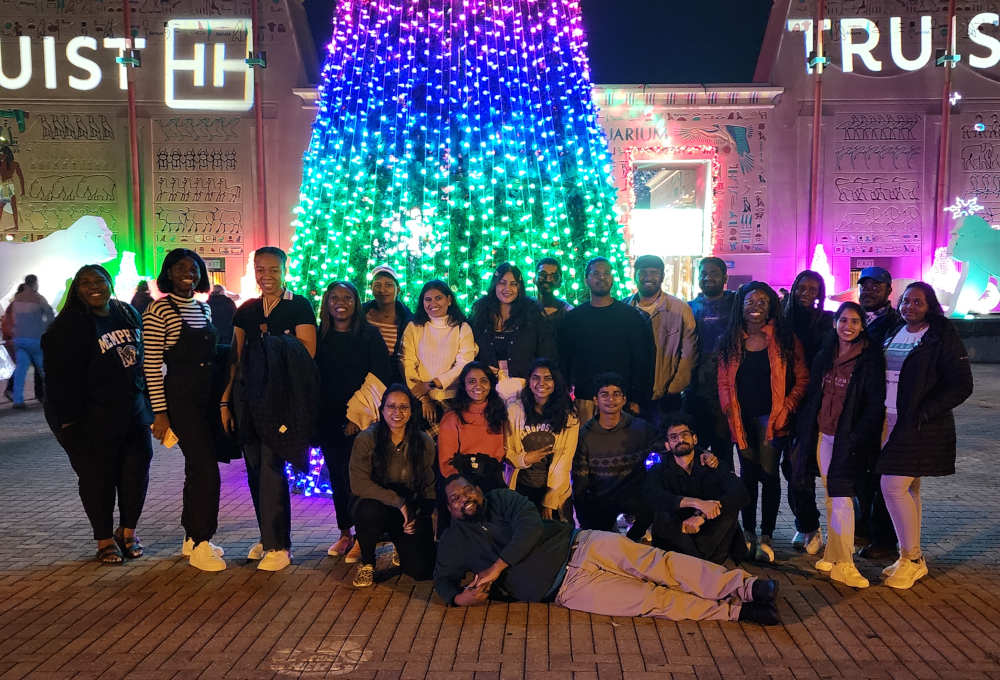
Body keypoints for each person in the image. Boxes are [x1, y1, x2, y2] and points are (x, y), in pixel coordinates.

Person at [434, 477, 781, 625]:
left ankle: (744, 587)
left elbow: (530, 527)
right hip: (567, 590)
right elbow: (442, 580)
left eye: (466, 492)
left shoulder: (501, 499)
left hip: (583, 545)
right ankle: (735, 614)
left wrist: (495, 569)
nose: (464, 500)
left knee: (662, 565)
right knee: (651, 601)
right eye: (454, 499)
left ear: (477, 490)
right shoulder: (454, 541)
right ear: (448, 508)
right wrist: (458, 600)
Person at [41, 265, 154, 564]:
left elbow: (140, 361)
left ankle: (128, 532)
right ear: (76, 289)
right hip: (90, 419)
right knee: (98, 479)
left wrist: (150, 406)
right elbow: (56, 379)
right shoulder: (68, 326)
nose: (93, 287)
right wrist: (69, 423)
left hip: (133, 413)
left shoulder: (127, 313)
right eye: (85, 282)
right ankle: (104, 538)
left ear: (110, 283)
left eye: (99, 280)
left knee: (135, 475)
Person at [223, 246, 317, 571]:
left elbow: (308, 351)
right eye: (261, 270)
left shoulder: (299, 306)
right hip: (247, 399)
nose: (267, 276)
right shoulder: (246, 310)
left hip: (281, 400)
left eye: (273, 269)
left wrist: (268, 346)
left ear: (284, 270)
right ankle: (266, 536)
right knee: (253, 468)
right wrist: (226, 401)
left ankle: (280, 545)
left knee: (272, 465)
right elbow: (234, 359)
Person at [877, 282, 972, 589]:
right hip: (888, 419)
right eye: (905, 301)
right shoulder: (895, 332)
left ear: (930, 305)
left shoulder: (940, 337)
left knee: (892, 486)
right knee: (909, 488)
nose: (910, 307)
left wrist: (926, 411)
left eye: (917, 302)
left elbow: (961, 385)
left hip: (917, 424)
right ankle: (910, 559)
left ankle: (913, 558)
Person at [791, 302, 885, 588]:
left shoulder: (869, 358)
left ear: (862, 325)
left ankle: (845, 563)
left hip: (848, 437)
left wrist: (858, 435)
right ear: (835, 323)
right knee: (833, 495)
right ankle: (832, 556)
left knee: (843, 497)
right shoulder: (825, 354)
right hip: (823, 434)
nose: (848, 326)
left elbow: (873, 403)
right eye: (843, 320)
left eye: (855, 321)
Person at [143, 249, 226, 571]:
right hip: (181, 399)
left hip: (206, 397)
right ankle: (202, 539)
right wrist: (160, 413)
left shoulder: (202, 308)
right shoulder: (158, 311)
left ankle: (192, 539)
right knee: (206, 469)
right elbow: (151, 366)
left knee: (197, 468)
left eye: (193, 268)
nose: (187, 273)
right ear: (168, 273)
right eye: (179, 268)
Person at [717, 282, 808, 563]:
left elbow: (802, 378)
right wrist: (730, 413)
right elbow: (722, 382)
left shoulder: (784, 339)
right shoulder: (730, 340)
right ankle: (748, 533)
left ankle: (766, 536)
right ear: (740, 306)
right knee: (747, 476)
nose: (755, 307)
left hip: (773, 419)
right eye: (749, 301)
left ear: (771, 306)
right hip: (742, 420)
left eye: (762, 302)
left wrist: (788, 408)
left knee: (769, 477)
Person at [317, 280, 392, 564]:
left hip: (361, 419)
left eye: (347, 297)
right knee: (337, 477)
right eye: (334, 297)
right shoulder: (320, 335)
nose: (340, 302)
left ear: (356, 302)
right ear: (327, 302)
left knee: (360, 478)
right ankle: (344, 532)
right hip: (328, 419)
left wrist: (356, 417)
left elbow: (379, 375)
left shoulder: (368, 335)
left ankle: (364, 536)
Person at [349, 385, 437, 587]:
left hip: (408, 505)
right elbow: (359, 484)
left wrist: (421, 515)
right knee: (368, 510)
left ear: (411, 410)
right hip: (376, 502)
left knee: (421, 570)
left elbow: (428, 483)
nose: (397, 413)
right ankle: (368, 563)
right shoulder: (366, 438)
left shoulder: (423, 441)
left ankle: (401, 545)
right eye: (391, 407)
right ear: (382, 409)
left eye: (404, 407)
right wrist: (399, 503)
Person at [643, 413, 749, 565]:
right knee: (663, 513)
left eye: (684, 435)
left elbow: (740, 492)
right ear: (667, 445)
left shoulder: (712, 464)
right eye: (674, 437)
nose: (680, 440)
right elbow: (652, 495)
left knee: (728, 509)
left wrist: (702, 515)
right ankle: (702, 567)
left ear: (695, 439)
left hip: (708, 532)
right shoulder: (659, 468)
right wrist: (696, 503)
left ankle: (695, 566)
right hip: (679, 535)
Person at [558, 257, 655, 423]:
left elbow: (643, 361)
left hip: (622, 400)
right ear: (586, 279)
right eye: (596, 273)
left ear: (612, 278)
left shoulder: (631, 316)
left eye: (606, 273)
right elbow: (564, 360)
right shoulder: (573, 319)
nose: (601, 277)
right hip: (585, 400)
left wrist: (637, 399)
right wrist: (565, 396)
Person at [779, 270, 833, 555]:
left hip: (812, 404)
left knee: (800, 467)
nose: (807, 293)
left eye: (813, 288)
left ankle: (810, 526)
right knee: (789, 468)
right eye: (802, 287)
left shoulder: (826, 322)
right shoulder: (782, 321)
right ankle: (805, 523)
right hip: (780, 401)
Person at [572, 372, 657, 541]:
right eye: (605, 394)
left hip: (633, 495)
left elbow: (669, 445)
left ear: (624, 399)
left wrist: (703, 455)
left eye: (616, 394)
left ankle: (633, 540)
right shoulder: (584, 435)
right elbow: (580, 483)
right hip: (601, 498)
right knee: (601, 542)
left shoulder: (641, 428)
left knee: (657, 499)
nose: (611, 399)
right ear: (596, 400)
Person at [855, 266, 904, 560]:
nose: (869, 290)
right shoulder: (857, 320)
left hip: (884, 412)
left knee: (880, 478)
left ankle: (884, 539)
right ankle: (867, 529)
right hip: (860, 411)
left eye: (876, 286)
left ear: (888, 291)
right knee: (862, 475)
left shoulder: (895, 324)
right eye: (865, 285)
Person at [626, 255, 697, 425]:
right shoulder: (624, 309)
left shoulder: (680, 309)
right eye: (643, 272)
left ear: (662, 276)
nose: (648, 277)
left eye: (654, 273)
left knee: (664, 444)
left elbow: (689, 353)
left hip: (666, 396)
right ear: (635, 275)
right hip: (631, 397)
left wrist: (674, 388)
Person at [505, 358, 580, 519]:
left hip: (554, 489)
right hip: (520, 488)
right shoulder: (514, 410)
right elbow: (506, 451)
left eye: (548, 378)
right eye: (535, 377)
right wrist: (525, 458)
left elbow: (564, 460)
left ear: (556, 382)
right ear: (529, 381)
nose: (541, 383)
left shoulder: (569, 417)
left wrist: (550, 499)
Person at [401, 279, 476, 427]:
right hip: (421, 400)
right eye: (428, 299)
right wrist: (424, 398)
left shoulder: (462, 327)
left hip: (454, 398)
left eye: (438, 298)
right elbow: (406, 362)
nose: (433, 303)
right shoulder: (414, 327)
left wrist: (433, 383)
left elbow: (464, 364)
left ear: (449, 300)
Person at [687, 257, 737, 470]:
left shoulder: (736, 304)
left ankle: (726, 501)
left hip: (725, 392)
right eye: (703, 273)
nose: (708, 277)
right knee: (695, 451)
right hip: (695, 391)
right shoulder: (689, 308)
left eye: (714, 273)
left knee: (723, 453)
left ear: (725, 277)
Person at [470, 263, 556, 383]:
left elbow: (546, 355)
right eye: (502, 283)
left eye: (513, 284)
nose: (507, 288)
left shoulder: (532, 313)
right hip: (487, 389)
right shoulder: (480, 313)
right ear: (495, 284)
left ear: (519, 287)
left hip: (524, 388)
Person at [437, 361, 507, 487]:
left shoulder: (502, 414)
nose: (478, 386)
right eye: (472, 381)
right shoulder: (452, 418)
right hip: (464, 483)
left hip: (496, 480)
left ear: (491, 384)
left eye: (484, 381)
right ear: (464, 385)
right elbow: (446, 465)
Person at [362, 265, 413, 386]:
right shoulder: (360, 314)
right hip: (361, 378)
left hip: (393, 383)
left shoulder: (408, 320)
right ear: (371, 288)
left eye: (389, 285)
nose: (382, 290)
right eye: (377, 285)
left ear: (398, 289)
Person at [9, 274, 54, 408]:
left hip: (19, 338)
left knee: (20, 370)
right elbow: (50, 315)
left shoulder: (17, 298)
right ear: (34, 283)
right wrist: (45, 328)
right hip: (35, 339)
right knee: (44, 369)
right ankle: (51, 396)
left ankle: (18, 400)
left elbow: (13, 318)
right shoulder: (39, 298)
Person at [533, 258, 573, 322]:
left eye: (554, 276)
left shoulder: (568, 311)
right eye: (543, 275)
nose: (548, 279)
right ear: (534, 279)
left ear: (560, 282)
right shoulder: (524, 308)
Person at [0, 146, 25, 231]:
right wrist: (23, 190)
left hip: (6, 186)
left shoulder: (3, 164)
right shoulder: (14, 164)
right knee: (13, 206)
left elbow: (21, 177)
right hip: (10, 185)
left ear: (6, 155)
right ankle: (16, 226)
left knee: (1, 206)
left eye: (2, 154)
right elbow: (21, 178)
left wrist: (23, 190)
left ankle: (16, 226)